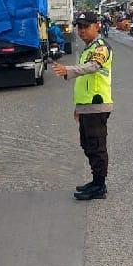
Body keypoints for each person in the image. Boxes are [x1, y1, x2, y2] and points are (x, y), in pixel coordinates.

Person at [51, 11, 114, 201]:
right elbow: (84, 81)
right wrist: (78, 107)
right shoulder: (88, 48)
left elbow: (93, 66)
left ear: (97, 26)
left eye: (86, 26)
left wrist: (68, 69)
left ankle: (99, 186)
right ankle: (96, 181)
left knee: (96, 146)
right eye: (80, 27)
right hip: (86, 106)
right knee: (87, 145)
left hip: (97, 105)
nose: (82, 31)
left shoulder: (101, 47)